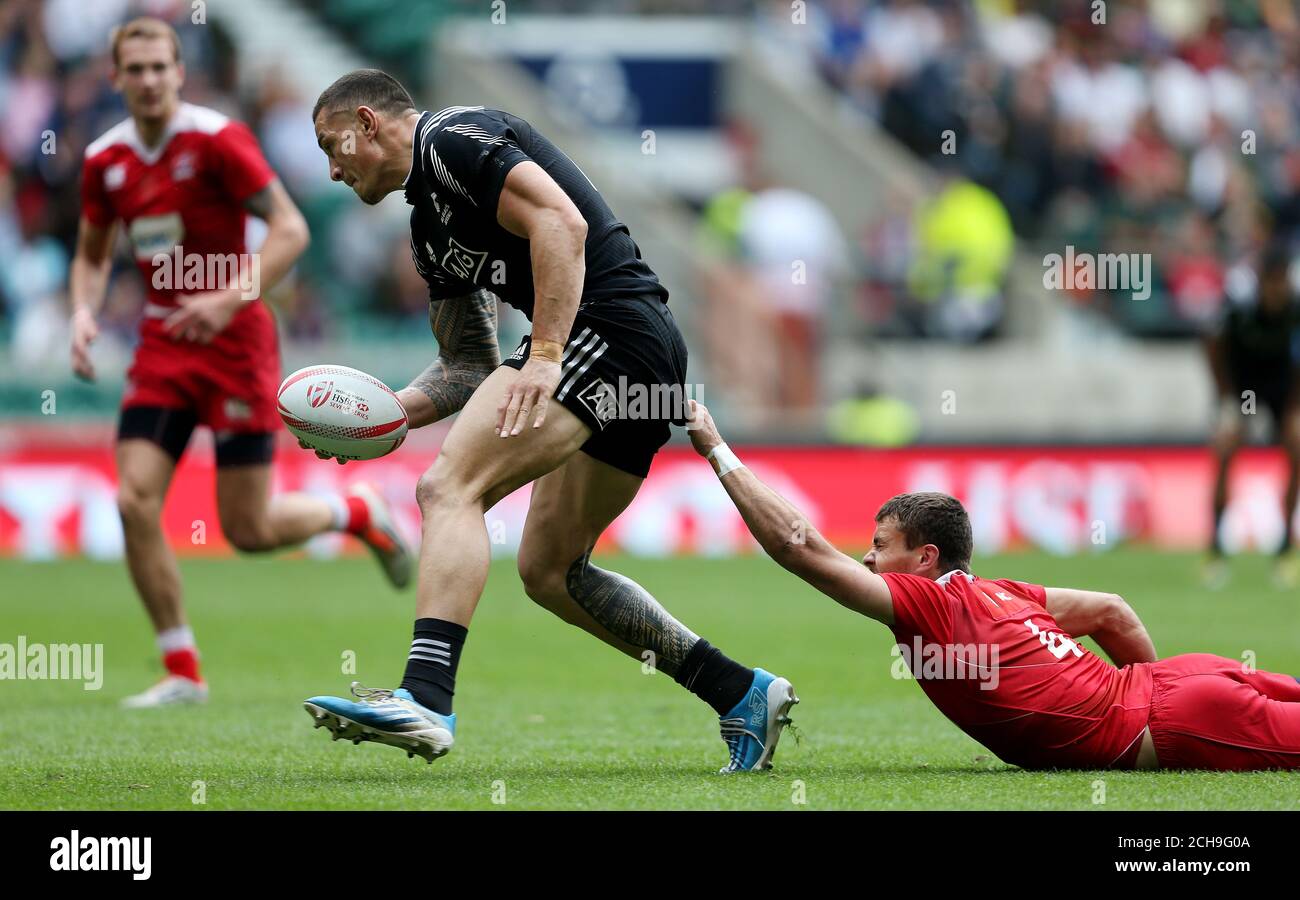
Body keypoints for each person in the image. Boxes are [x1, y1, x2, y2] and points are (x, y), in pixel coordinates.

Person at [301, 70, 797, 773]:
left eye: (332, 143)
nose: (330, 166)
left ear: (367, 121)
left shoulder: (452, 138)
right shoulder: (427, 231)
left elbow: (561, 223)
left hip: (610, 331)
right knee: (550, 571)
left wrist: (545, 356)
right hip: (628, 356)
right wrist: (380, 420)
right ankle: (742, 692)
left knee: (449, 490)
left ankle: (424, 697)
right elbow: (466, 366)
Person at [71, 19, 410, 708]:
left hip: (235, 343)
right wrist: (82, 310)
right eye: (134, 69)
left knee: (247, 530)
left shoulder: (218, 140)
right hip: (164, 346)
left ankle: (356, 511)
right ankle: (184, 671)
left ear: (178, 70)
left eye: (159, 67)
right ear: (116, 78)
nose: (148, 80)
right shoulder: (105, 160)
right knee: (134, 499)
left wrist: (227, 299)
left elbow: (292, 229)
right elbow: (92, 253)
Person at [687, 400, 1300, 771]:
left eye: (879, 547)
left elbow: (799, 548)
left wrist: (716, 450)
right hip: (1184, 683)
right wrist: (1145, 693)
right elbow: (1111, 611)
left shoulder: (927, 603)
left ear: (926, 559)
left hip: (1177, 714)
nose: (867, 562)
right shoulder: (1004, 590)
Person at [1203, 241, 1300, 588]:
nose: (1277, 290)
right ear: (1261, 282)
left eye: (1281, 282)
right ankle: (1215, 550)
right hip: (1242, 387)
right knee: (1226, 447)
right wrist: (1227, 399)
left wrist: (1292, 409)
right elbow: (1213, 347)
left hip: (1281, 389)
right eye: (1271, 282)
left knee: (1297, 445)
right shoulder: (1239, 307)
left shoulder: (1294, 307)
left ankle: (1285, 549)